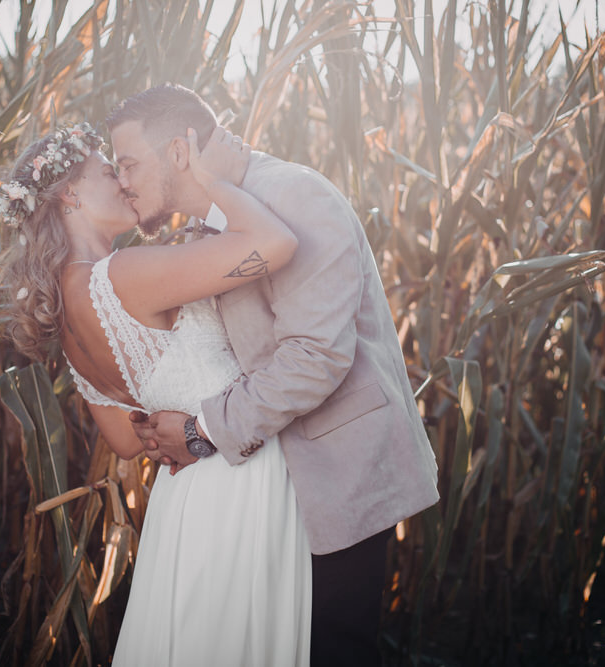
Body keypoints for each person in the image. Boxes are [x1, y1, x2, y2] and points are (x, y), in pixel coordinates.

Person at [107, 84, 440, 666]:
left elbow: (316, 357)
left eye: (129, 163)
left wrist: (200, 429)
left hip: (340, 476)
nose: (122, 181)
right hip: (265, 486)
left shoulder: (295, 197)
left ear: (180, 153)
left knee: (330, 651)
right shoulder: (209, 221)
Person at [2, 121, 311, 665]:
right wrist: (209, 178)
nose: (124, 184)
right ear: (69, 194)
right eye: (107, 171)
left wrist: (180, 413)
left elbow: (126, 439)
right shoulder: (122, 274)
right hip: (241, 482)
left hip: (186, 499)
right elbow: (276, 243)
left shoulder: (67, 314)